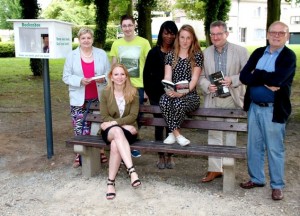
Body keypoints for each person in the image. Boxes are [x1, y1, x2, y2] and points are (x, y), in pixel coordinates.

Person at [239, 21, 296, 201]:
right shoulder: (258, 52)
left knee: (274, 148)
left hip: (273, 109)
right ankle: (256, 179)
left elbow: (278, 80)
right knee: (253, 146)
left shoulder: (288, 56)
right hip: (254, 107)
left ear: (287, 36)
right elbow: (244, 76)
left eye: (281, 33)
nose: (277, 35)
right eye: (273, 32)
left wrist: (257, 74)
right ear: (267, 34)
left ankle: (277, 185)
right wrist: (264, 80)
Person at [198, 20, 249, 183]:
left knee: (230, 136)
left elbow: (249, 73)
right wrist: (207, 86)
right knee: (214, 135)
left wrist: (232, 80)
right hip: (213, 100)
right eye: (212, 34)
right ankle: (214, 170)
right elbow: (200, 76)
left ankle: (228, 169)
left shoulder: (240, 51)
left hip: (232, 99)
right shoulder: (205, 53)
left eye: (219, 34)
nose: (215, 37)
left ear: (226, 34)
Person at [62, 27, 110, 168]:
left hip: (98, 98)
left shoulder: (101, 54)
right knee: (80, 128)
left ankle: (99, 151)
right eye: (83, 38)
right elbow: (66, 77)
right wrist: (80, 81)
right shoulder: (71, 56)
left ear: (92, 39)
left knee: (96, 127)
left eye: (89, 38)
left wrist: (104, 79)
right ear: (79, 40)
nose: (86, 40)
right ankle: (79, 154)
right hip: (78, 99)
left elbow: (109, 73)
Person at [110, 14, 151, 158]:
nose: (127, 28)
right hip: (120, 86)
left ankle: (130, 144)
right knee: (121, 114)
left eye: (130, 25)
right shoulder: (116, 44)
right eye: (124, 26)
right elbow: (114, 66)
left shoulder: (144, 43)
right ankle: (124, 145)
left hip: (138, 86)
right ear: (121, 27)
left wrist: (147, 88)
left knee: (134, 117)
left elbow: (148, 67)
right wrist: (113, 85)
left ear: (135, 26)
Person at [100, 63, 141, 200]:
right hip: (111, 131)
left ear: (126, 76)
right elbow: (105, 116)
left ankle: (110, 183)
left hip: (128, 131)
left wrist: (117, 124)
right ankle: (132, 171)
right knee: (117, 132)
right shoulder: (106, 92)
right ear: (111, 77)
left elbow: (133, 116)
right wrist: (119, 125)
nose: (119, 77)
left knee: (114, 145)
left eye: (122, 74)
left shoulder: (133, 92)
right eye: (116, 74)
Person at [159, 24, 203, 146]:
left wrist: (182, 93)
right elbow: (167, 76)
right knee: (163, 100)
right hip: (174, 92)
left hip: (190, 95)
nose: (185, 41)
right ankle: (177, 134)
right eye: (182, 37)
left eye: (188, 38)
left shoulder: (197, 55)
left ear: (193, 39)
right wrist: (168, 89)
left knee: (178, 103)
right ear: (178, 38)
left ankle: (173, 134)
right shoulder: (170, 55)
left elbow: (194, 80)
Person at [144, 21, 178, 169]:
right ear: (161, 34)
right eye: (166, 33)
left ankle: (170, 155)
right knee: (159, 125)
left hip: (174, 95)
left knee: (172, 125)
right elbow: (146, 75)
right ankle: (160, 155)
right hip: (156, 96)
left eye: (172, 33)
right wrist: (150, 94)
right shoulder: (153, 52)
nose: (169, 36)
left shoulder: (178, 52)